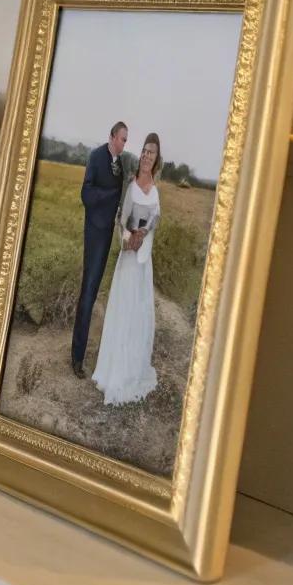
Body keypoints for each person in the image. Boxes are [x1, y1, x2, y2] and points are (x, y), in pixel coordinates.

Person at [92, 134, 162, 405]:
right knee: (123, 310)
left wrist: (145, 233)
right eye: (144, 151)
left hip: (143, 259)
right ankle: (114, 372)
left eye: (152, 153)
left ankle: (133, 369)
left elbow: (155, 221)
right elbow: (121, 220)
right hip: (128, 257)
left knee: (137, 312)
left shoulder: (155, 189)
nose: (146, 156)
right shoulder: (131, 185)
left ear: (157, 158)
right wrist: (127, 239)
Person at [70, 121, 128, 377]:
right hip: (94, 233)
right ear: (112, 137)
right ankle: (76, 358)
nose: (124, 144)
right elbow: (86, 195)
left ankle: (83, 354)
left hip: (107, 236)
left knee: (94, 291)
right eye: (122, 139)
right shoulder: (95, 157)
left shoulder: (122, 164)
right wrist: (110, 195)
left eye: (126, 141)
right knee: (88, 291)